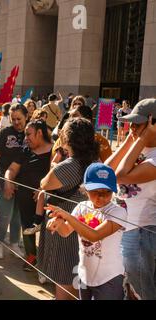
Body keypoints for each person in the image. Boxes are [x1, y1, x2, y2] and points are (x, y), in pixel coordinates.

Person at [38, 117, 99, 300]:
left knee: (64, 282)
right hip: (84, 225)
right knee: (75, 280)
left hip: (65, 228)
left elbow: (45, 183)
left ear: (68, 138)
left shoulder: (70, 165)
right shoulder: (94, 162)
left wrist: (55, 166)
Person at [46, 163, 127, 300]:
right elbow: (66, 231)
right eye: (96, 191)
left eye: (106, 192)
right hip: (85, 275)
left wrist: (67, 216)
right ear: (86, 189)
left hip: (109, 278)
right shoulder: (82, 207)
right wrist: (58, 223)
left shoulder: (118, 212)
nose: (100, 197)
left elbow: (94, 235)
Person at [105, 98, 156, 300]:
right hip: (125, 228)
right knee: (130, 289)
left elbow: (119, 176)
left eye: (138, 124)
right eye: (130, 123)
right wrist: (131, 139)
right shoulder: (137, 146)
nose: (132, 128)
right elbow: (106, 172)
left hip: (142, 233)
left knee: (143, 291)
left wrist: (141, 140)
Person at [4, 120, 53, 270]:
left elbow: (55, 174)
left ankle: (48, 263)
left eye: (28, 134)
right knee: (26, 228)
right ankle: (31, 257)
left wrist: (42, 189)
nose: (26, 138)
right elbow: (11, 170)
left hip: (47, 200)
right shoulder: (25, 150)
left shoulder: (54, 151)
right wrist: (8, 181)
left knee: (48, 231)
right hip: (24, 199)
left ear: (39, 133)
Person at [0, 104, 28, 259]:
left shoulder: (31, 132)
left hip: (24, 181)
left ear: (27, 116)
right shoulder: (4, 133)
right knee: (5, 213)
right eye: (13, 119)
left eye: (19, 118)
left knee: (17, 214)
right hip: (4, 180)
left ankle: (13, 243)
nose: (16, 122)